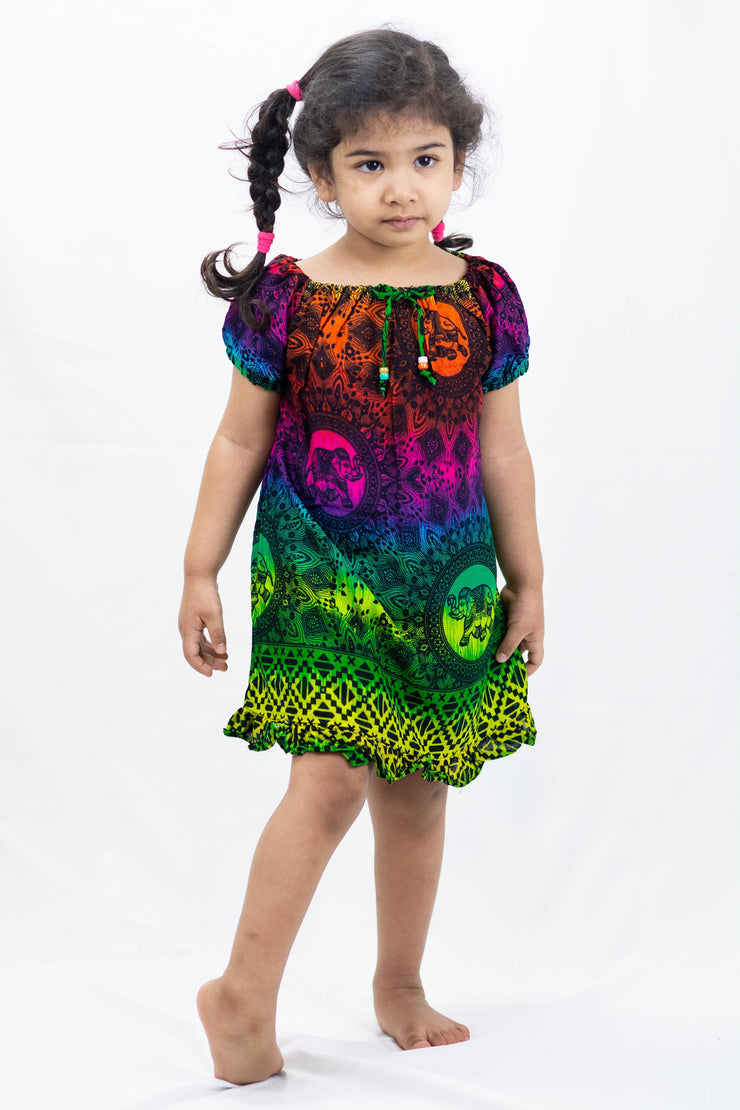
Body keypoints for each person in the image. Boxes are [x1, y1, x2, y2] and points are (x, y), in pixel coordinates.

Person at [178, 27, 545, 1086]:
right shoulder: (286, 300)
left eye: (424, 158)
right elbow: (238, 441)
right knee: (332, 777)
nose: (400, 187)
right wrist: (199, 568)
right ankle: (241, 993)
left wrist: (529, 577)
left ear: (457, 164)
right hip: (319, 567)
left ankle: (399, 984)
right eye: (369, 163)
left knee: (421, 784)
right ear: (323, 177)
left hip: (447, 580)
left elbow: (504, 450)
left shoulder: (484, 297)